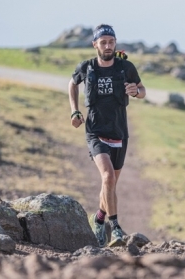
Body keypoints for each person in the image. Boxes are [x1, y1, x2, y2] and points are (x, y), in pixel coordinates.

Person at [68, 24, 146, 247]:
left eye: (111, 42)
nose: (108, 46)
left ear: (115, 43)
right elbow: (72, 84)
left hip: (120, 133)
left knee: (109, 186)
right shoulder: (87, 67)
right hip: (95, 132)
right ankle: (116, 228)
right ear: (95, 45)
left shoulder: (125, 67)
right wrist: (74, 110)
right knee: (108, 177)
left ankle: (99, 219)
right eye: (103, 42)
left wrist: (136, 91)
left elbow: (142, 90)